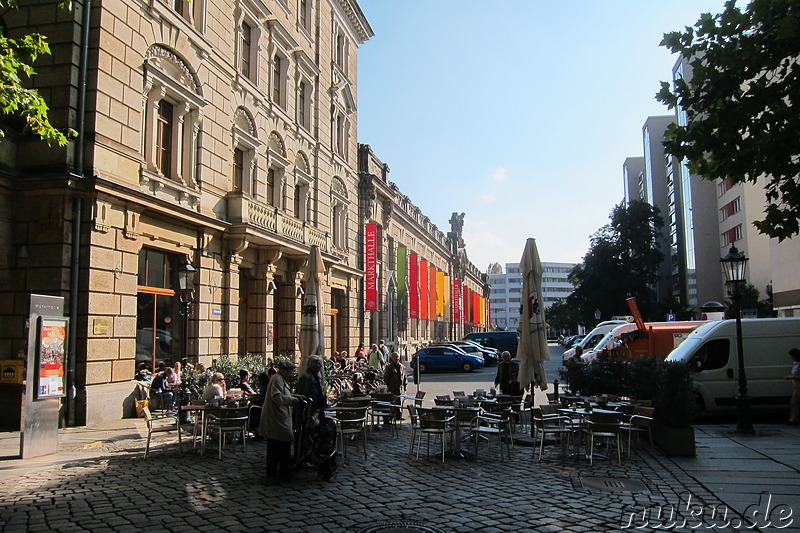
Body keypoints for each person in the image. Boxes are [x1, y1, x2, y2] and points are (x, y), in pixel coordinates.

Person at [261, 360, 303, 480]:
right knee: (279, 444)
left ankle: (277, 470)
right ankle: (278, 471)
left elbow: (284, 394)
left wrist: (295, 396)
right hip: (276, 418)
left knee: (277, 444)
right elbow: (277, 397)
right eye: (290, 371)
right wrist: (292, 400)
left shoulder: (281, 379)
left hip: (280, 418)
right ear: (284, 371)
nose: (291, 373)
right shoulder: (277, 379)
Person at [785, 348, 800, 425]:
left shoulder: (799, 364)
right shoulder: (796, 364)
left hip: (799, 386)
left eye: (791, 356)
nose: (791, 357)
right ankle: (794, 419)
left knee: (794, 402)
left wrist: (790, 377)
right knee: (794, 403)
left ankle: (793, 419)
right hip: (796, 386)